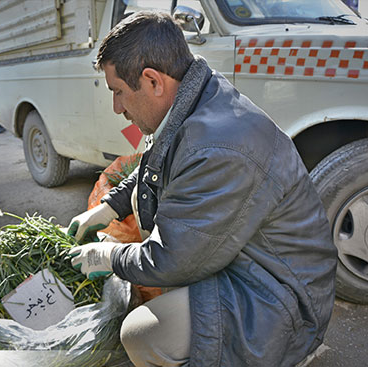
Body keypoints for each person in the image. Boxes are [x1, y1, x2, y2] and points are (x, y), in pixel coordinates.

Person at [67, 12, 338, 367]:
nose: (117, 108)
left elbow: (168, 260)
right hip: (251, 262)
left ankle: (283, 355)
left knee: (143, 335)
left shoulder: (218, 149)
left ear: (152, 81)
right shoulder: (195, 96)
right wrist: (111, 206)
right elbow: (158, 161)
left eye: (118, 92)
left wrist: (108, 257)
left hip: (280, 296)